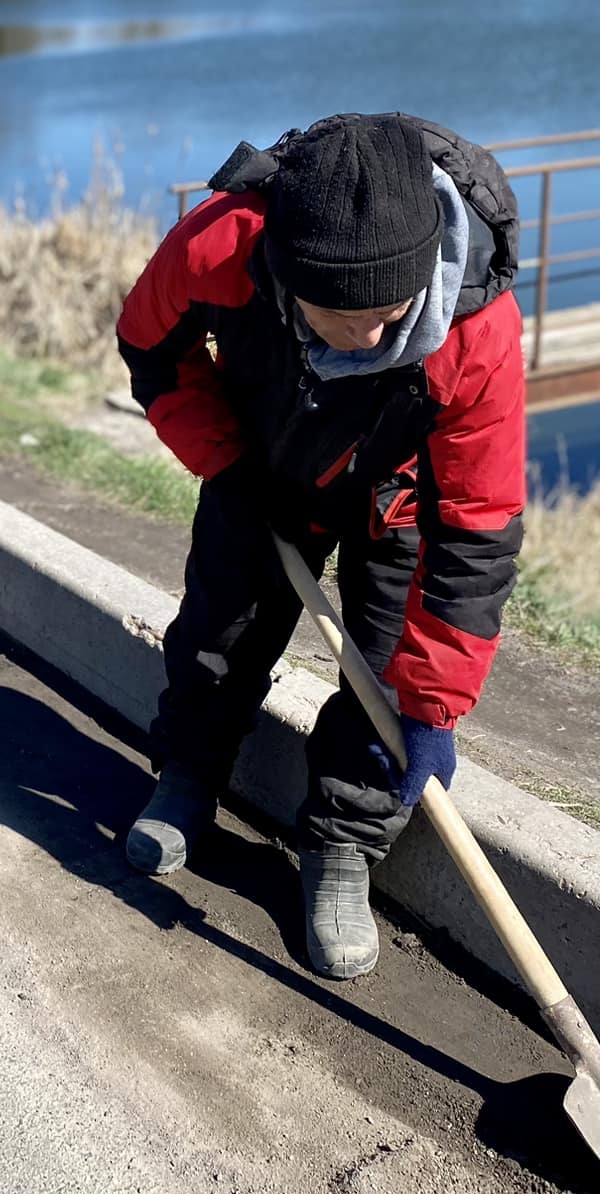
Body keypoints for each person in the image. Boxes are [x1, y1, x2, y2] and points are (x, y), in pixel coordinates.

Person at [115, 113, 525, 980]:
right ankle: (188, 777)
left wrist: (432, 706)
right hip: (263, 461)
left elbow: (481, 525)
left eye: (391, 314)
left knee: (383, 676)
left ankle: (342, 847)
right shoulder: (221, 246)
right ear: (282, 275)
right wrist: (226, 463)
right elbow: (151, 352)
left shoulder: (476, 323)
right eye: (342, 317)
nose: (372, 338)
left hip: (401, 498)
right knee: (217, 638)